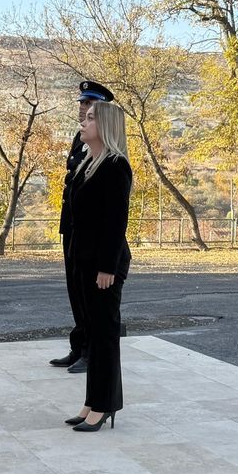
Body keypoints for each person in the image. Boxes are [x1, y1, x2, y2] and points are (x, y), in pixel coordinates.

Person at [64, 100, 132, 433]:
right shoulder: (89, 163)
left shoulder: (115, 166)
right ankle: (92, 402)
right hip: (84, 260)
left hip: (104, 265)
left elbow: (115, 222)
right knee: (93, 334)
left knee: (105, 335)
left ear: (105, 126)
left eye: (91, 118)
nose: (83, 122)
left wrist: (107, 267)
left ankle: (104, 404)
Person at [50, 82, 112, 374]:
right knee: (75, 288)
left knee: (90, 294)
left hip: (90, 230)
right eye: (81, 104)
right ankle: (79, 346)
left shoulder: (106, 143)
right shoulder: (80, 137)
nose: (82, 108)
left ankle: (92, 352)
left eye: (88, 105)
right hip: (72, 225)